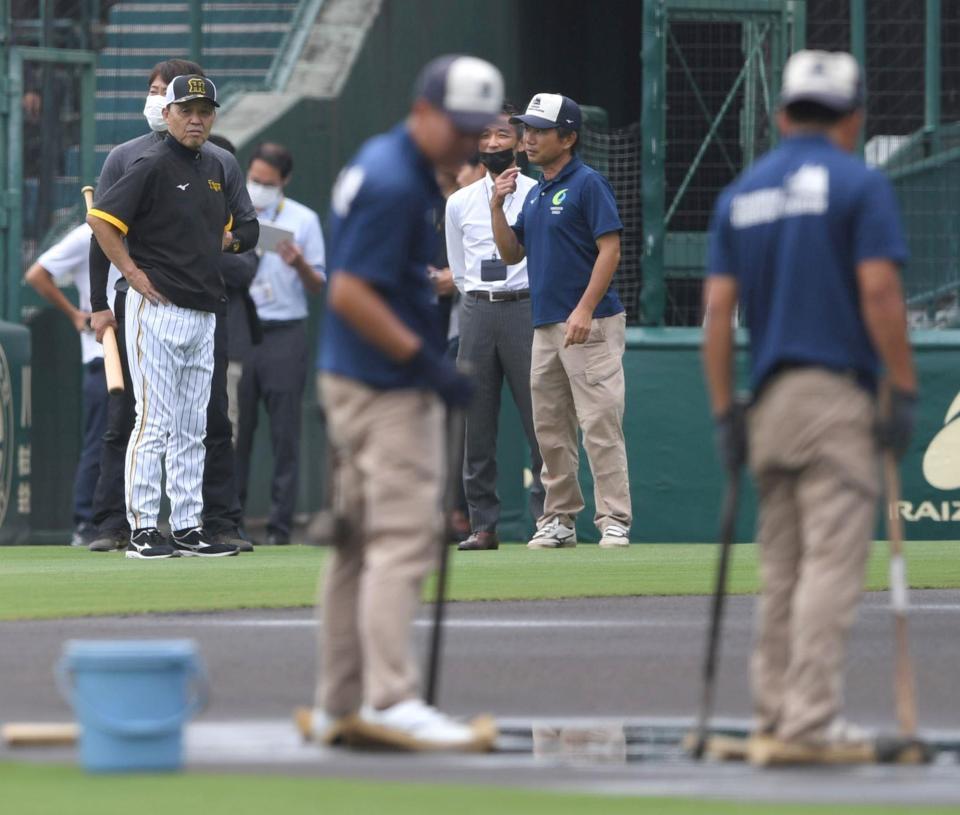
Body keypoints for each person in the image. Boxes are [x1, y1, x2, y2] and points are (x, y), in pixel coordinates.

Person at [702, 50, 917, 760]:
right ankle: (811, 721)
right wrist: (904, 386)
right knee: (831, 564)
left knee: (784, 570)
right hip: (835, 395)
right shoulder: (860, 185)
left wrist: (725, 412)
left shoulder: (742, 193)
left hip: (768, 401)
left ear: (781, 114)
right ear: (852, 119)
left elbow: (717, 314)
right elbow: (881, 293)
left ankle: (775, 713)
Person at [299, 55, 502, 751]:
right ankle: (390, 697)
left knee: (357, 544)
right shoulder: (393, 180)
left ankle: (340, 703)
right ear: (423, 110)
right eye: (459, 126)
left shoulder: (393, 165)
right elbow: (351, 292)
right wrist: (425, 364)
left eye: (477, 130)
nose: (467, 143)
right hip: (384, 384)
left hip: (360, 376)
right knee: (402, 536)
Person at [86, 59, 256, 554]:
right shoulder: (149, 160)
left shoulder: (216, 165)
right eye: (187, 110)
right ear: (168, 111)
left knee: (192, 426)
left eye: (205, 110)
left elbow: (247, 230)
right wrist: (131, 275)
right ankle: (142, 527)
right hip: (156, 306)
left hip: (204, 308)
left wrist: (222, 244)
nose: (196, 119)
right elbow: (101, 222)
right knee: (153, 422)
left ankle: (186, 526)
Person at [490, 93, 631, 549]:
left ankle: (613, 520)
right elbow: (513, 253)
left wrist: (585, 309)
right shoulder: (535, 192)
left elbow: (610, 249)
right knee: (550, 430)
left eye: (539, 130)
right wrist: (497, 207)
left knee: (599, 425)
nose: (527, 138)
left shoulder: (589, 184)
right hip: (545, 324)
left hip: (589, 325)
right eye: (525, 129)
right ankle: (560, 520)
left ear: (568, 137)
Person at [445, 103, 544, 551]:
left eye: (501, 135)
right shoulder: (458, 202)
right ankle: (483, 524)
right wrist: (477, 299)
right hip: (477, 312)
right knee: (476, 424)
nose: (492, 144)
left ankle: (548, 519)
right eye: (484, 136)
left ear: (520, 140)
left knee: (539, 418)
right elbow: (460, 268)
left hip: (525, 310)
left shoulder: (539, 192)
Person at [234, 143, 325, 546]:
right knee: (236, 430)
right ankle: (228, 520)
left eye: (267, 183)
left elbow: (319, 283)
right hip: (241, 330)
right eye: (254, 180)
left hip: (284, 332)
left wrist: (299, 263)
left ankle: (279, 527)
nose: (259, 188)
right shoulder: (233, 212)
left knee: (285, 434)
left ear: (284, 182)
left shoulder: (304, 219)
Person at [25, 224, 121, 547]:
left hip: (142, 352)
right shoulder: (87, 234)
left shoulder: (145, 226)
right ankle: (85, 521)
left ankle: (127, 521)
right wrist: (75, 315)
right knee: (101, 440)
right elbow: (37, 274)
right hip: (101, 354)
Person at [205, 134, 261, 446]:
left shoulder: (238, 212)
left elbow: (245, 268)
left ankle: (220, 497)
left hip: (226, 342)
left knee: (226, 428)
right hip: (176, 336)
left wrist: (205, 247)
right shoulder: (174, 200)